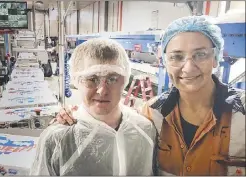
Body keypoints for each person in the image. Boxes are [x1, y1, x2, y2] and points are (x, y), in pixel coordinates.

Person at [52, 15, 246, 176]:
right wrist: (75, 114)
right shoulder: (152, 114)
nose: (188, 67)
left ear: (216, 58)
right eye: (177, 57)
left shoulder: (242, 112)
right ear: (165, 62)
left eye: (200, 54)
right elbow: (113, 122)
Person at [30, 38, 156, 176]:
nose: (102, 90)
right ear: (77, 81)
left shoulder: (145, 130)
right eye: (91, 79)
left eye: (112, 79)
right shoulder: (58, 139)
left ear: (125, 80)